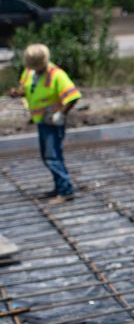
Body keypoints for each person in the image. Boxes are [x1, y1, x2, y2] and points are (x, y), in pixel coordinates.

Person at [8, 44, 81, 205]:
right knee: (48, 156)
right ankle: (59, 187)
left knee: (53, 156)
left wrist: (61, 114)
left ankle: (66, 191)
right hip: (41, 121)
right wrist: (17, 93)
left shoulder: (56, 75)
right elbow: (26, 89)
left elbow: (73, 96)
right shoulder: (29, 72)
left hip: (53, 122)